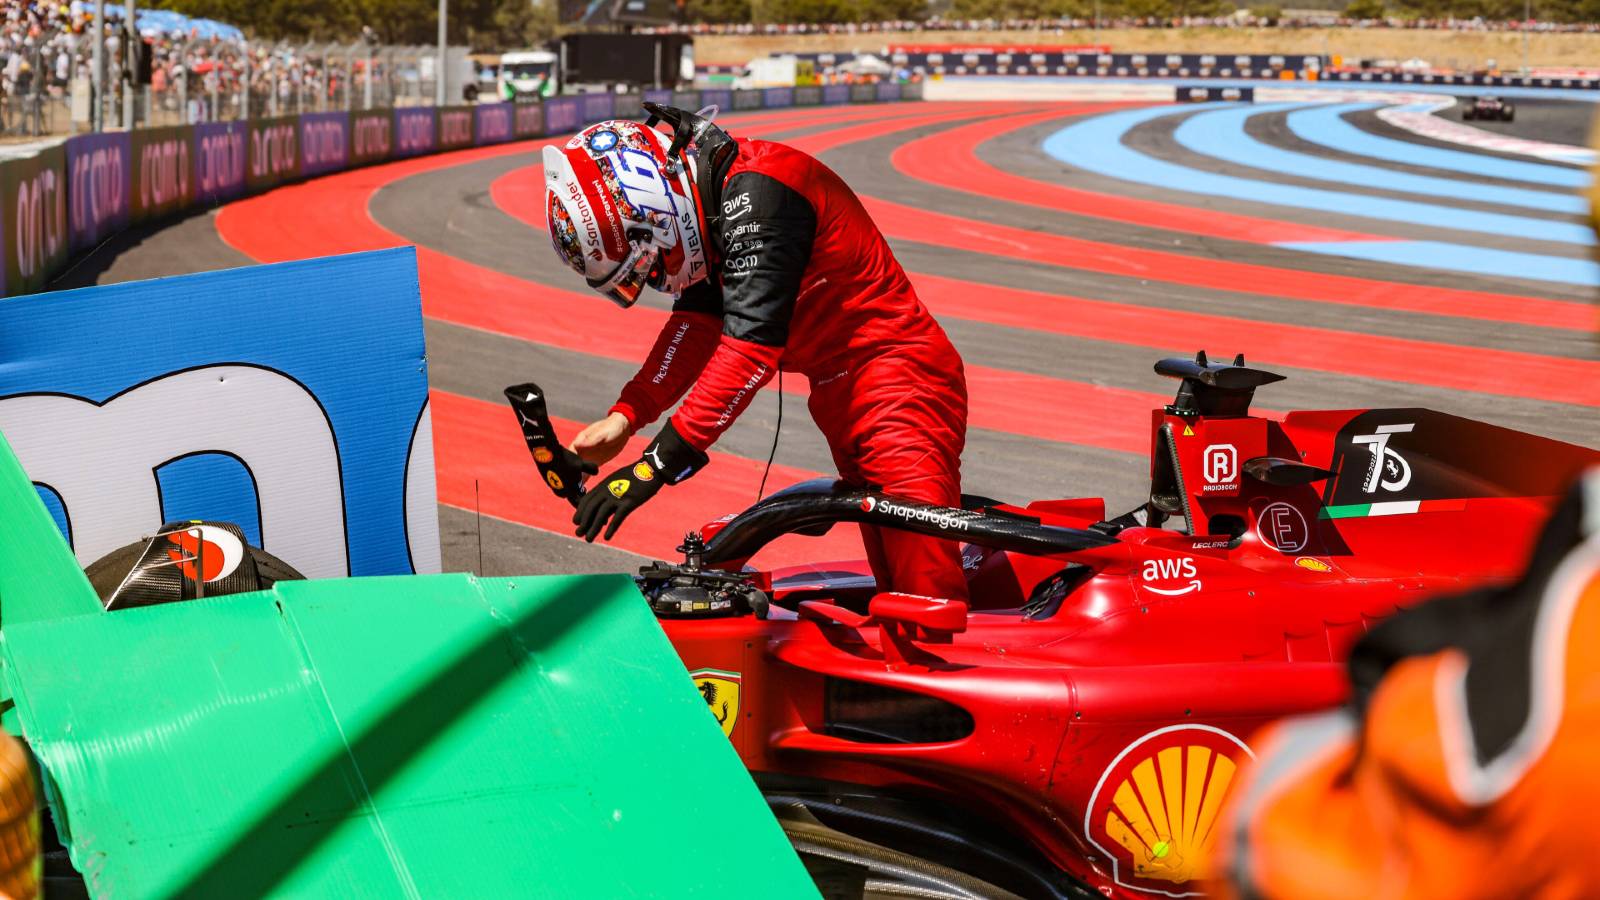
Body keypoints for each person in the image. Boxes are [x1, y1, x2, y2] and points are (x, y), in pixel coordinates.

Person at [541, 105, 969, 601]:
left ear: (651, 204)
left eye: (646, 260)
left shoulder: (764, 192)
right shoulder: (712, 202)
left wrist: (651, 468)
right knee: (893, 585)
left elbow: (749, 350)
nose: (655, 276)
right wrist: (625, 417)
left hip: (900, 382)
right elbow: (695, 324)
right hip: (844, 394)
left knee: (923, 594)